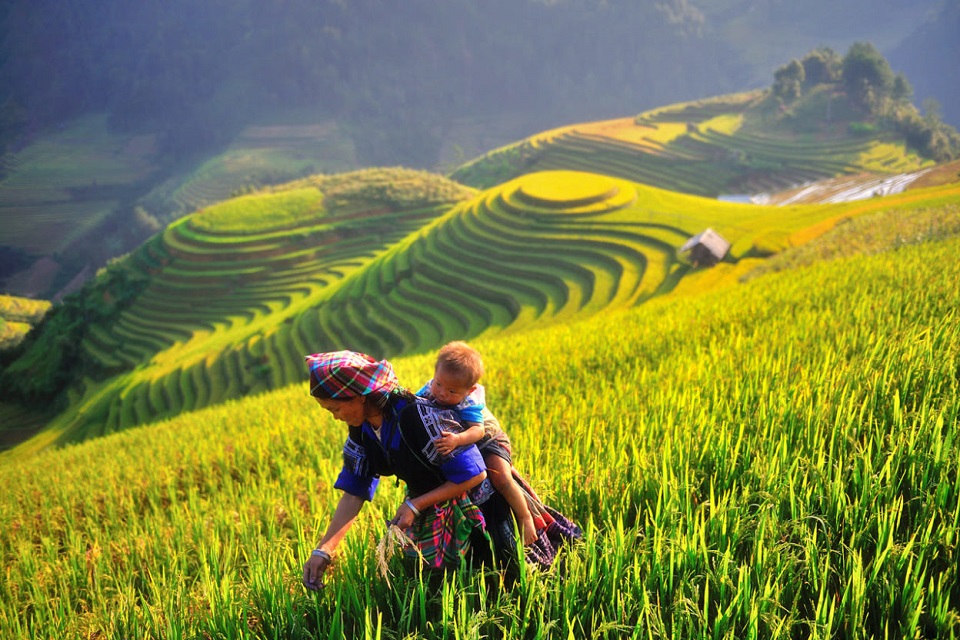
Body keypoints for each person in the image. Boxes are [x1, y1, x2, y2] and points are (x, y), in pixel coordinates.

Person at [300, 350, 581, 591]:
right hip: (435, 504)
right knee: (450, 585)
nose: (336, 417)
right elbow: (354, 491)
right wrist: (324, 550)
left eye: (335, 408)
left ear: (360, 397)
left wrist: (415, 504)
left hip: (481, 505)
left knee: (514, 576)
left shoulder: (418, 416)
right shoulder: (361, 432)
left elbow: (474, 474)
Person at [417, 341, 538, 545]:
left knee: (500, 478)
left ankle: (525, 517)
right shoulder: (433, 387)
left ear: (469, 390)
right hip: (467, 446)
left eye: (452, 391)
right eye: (439, 384)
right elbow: (416, 403)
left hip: (489, 440)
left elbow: (477, 430)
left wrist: (456, 440)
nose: (442, 393)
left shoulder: (469, 402)